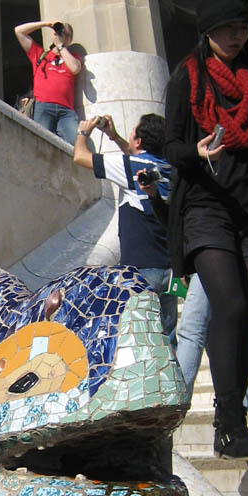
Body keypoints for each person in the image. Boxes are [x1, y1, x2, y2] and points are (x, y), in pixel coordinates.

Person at [164, 0, 248, 459]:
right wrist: (195, 152)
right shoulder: (188, 77)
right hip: (205, 207)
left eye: (242, 28)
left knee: (247, 315)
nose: (236, 36)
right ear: (208, 32)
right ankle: (230, 424)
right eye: (226, 29)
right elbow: (171, 146)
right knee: (230, 305)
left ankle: (231, 426)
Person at [73, 111, 177, 342]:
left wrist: (83, 132)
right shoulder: (167, 168)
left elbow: (80, 156)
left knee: (141, 339)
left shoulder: (130, 166)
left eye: (132, 132)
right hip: (169, 269)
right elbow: (138, 158)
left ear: (138, 141)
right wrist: (114, 136)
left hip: (141, 270)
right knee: (168, 338)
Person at [13, 17, 82, 145]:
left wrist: (60, 46)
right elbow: (19, 31)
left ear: (70, 39)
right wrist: (46, 24)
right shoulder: (40, 54)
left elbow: (75, 68)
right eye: (60, 33)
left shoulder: (72, 57)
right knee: (43, 144)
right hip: (43, 106)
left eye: (66, 35)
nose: (62, 36)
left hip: (66, 110)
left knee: (77, 144)